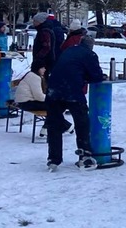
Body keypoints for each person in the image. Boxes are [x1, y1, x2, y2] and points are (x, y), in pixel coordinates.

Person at [44, 35, 105, 171]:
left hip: (53, 91)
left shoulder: (69, 50)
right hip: (72, 92)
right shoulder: (89, 54)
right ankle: (84, 154)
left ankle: (53, 159)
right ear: (91, 45)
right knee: (82, 123)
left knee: (54, 125)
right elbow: (97, 76)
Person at [31, 12, 66, 79]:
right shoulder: (45, 30)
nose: (33, 23)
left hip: (43, 61)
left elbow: (46, 47)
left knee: (40, 79)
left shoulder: (44, 31)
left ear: (40, 21)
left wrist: (38, 57)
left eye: (35, 21)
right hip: (47, 60)